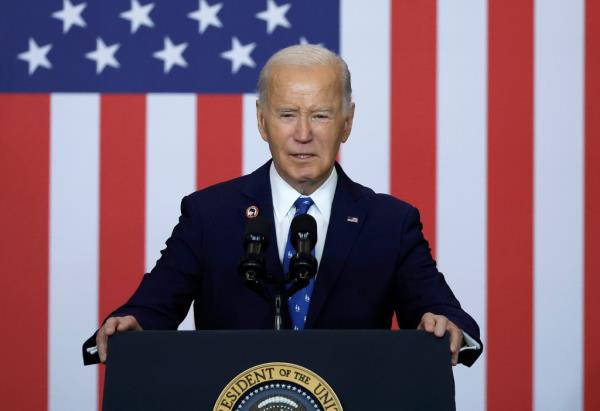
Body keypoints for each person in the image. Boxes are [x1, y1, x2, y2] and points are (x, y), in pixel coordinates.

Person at [83, 44, 482, 367]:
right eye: (287, 114)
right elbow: (151, 308)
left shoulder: (390, 223)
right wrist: (131, 325)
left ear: (347, 122)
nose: (303, 134)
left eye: (321, 115)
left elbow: (445, 316)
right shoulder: (210, 215)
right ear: (262, 121)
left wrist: (447, 327)